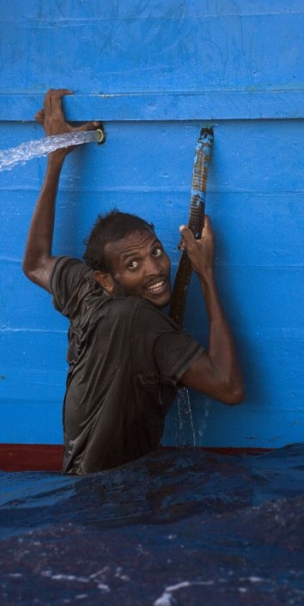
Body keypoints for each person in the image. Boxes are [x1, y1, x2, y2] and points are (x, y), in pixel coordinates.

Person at [23, 89, 244, 475]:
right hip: (116, 501)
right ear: (107, 279)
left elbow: (35, 263)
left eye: (156, 252)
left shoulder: (86, 290)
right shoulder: (141, 321)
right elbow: (229, 388)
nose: (155, 270)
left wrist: (55, 157)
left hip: (78, 486)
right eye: (134, 265)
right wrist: (207, 274)